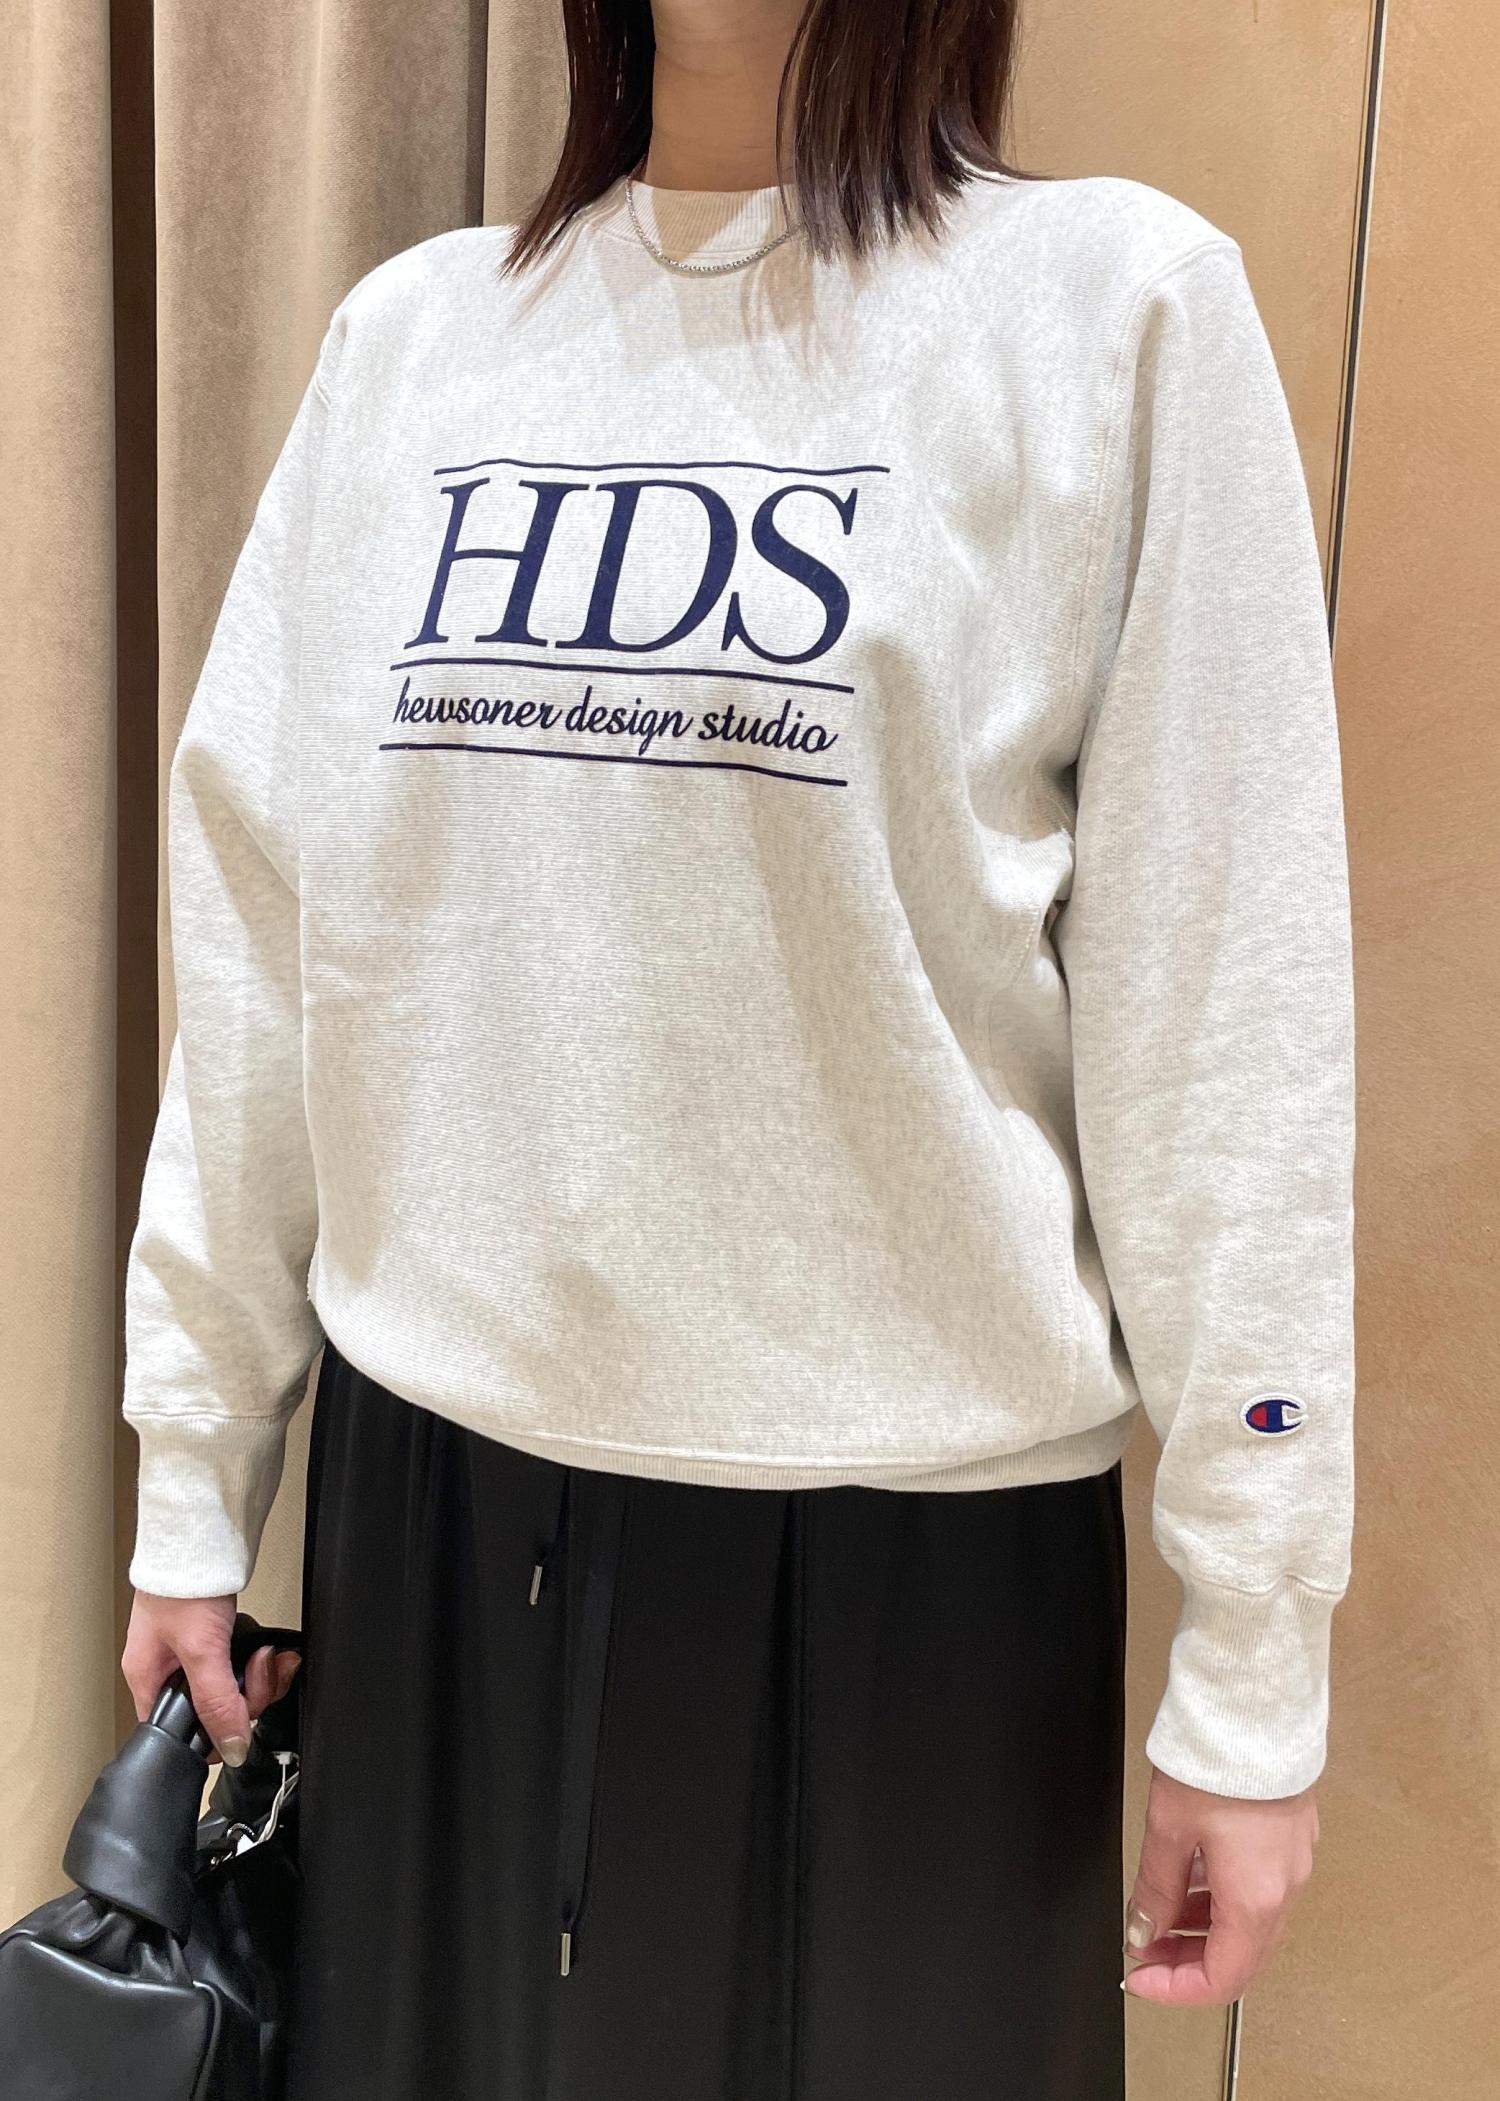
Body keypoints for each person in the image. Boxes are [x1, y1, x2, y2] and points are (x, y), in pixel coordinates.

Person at [117, 0, 1355, 2093]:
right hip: (432, 1517)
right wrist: (192, 1469)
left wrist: (1255, 1660)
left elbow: (1231, 1026)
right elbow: (260, 931)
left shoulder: (1116, 311)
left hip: (911, 1565)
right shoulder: (412, 344)